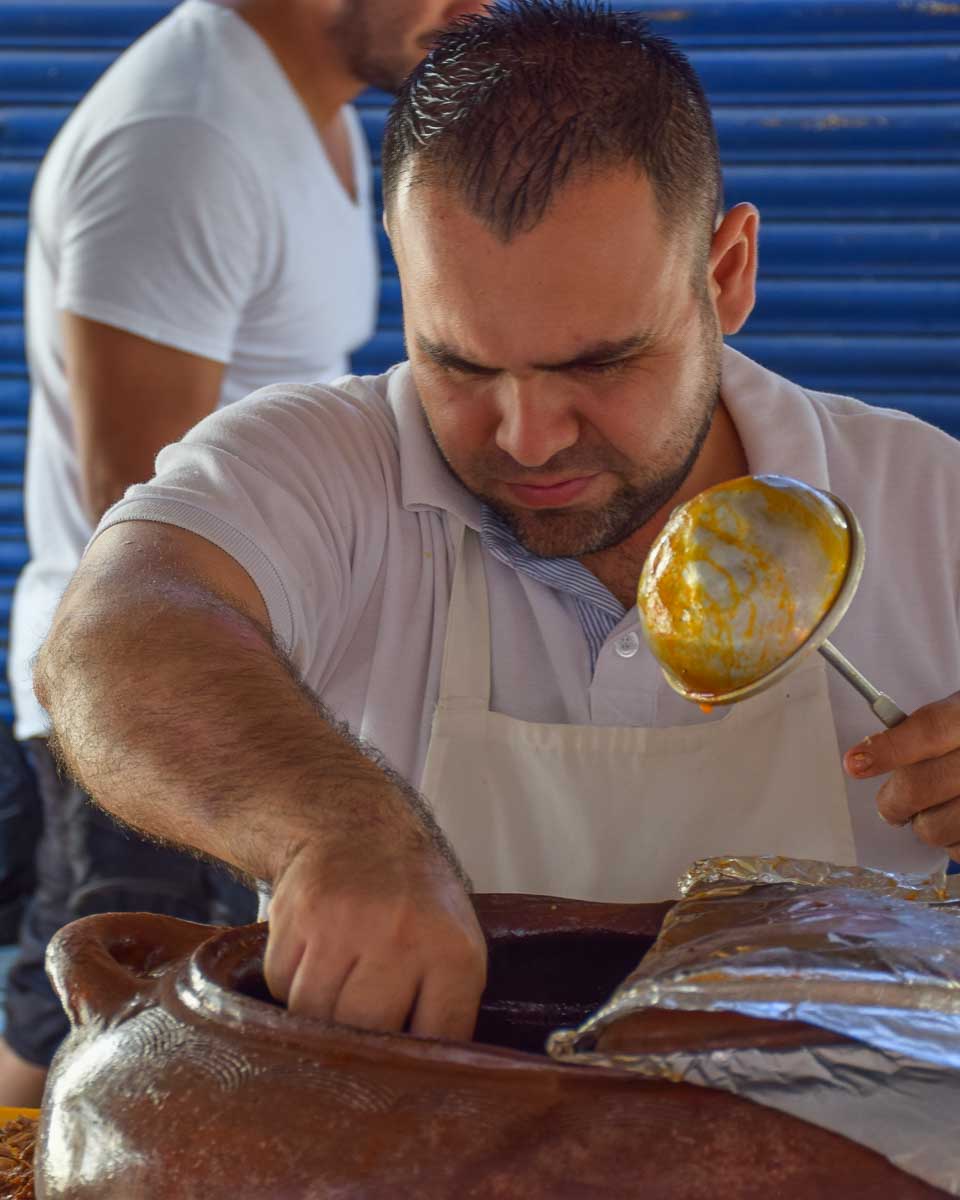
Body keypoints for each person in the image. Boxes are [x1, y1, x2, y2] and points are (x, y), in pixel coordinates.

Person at [35, 1, 960, 1047]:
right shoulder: (323, 467)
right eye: (462, 364)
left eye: (600, 363)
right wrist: (336, 830)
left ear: (725, 273)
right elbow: (114, 631)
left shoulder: (930, 504)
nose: (526, 438)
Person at [2, 0, 488, 1103]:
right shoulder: (188, 140)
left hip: (260, 671)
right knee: (100, 1054)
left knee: (131, 1034)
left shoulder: (315, 110)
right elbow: (137, 513)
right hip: (168, 698)